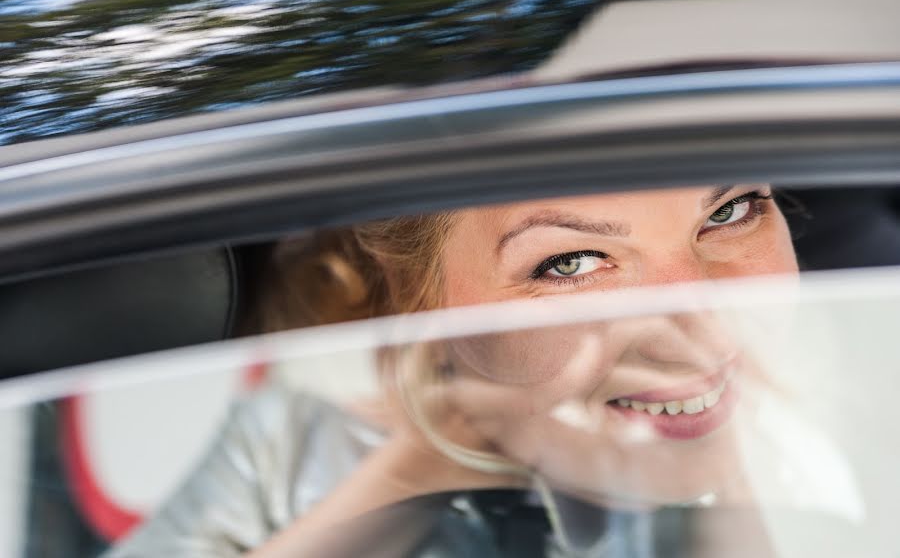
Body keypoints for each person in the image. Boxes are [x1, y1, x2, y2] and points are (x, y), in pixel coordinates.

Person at [106, 184, 797, 557]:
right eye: (570, 262)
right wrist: (419, 468)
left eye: (730, 212)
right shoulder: (286, 445)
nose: (706, 330)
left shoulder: (850, 428)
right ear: (423, 303)